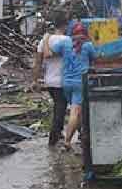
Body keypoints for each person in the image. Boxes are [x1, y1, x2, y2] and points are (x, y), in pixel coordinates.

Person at [47, 21, 97, 151]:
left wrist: (46, 38)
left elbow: (51, 51)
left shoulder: (65, 43)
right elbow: (94, 58)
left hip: (66, 83)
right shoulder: (88, 45)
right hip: (80, 83)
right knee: (75, 112)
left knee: (77, 111)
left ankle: (82, 135)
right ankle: (68, 141)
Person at [31, 13, 68, 146]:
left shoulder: (44, 41)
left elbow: (37, 63)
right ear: (65, 25)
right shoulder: (67, 41)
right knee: (62, 108)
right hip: (63, 81)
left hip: (49, 81)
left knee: (60, 108)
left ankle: (59, 134)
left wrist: (35, 81)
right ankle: (53, 139)